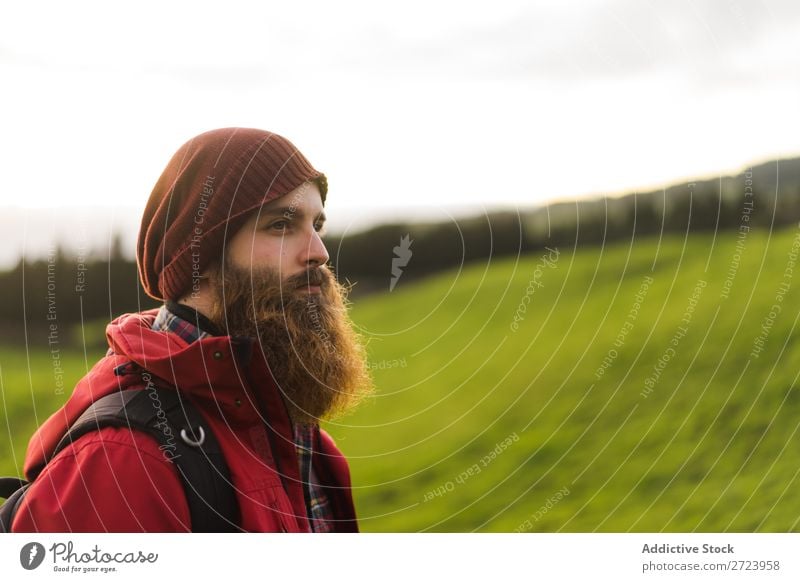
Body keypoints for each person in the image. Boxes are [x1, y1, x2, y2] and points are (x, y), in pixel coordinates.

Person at [11, 128, 374, 532]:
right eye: (281, 225)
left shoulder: (290, 425)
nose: (319, 252)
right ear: (201, 253)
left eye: (317, 224)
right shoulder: (125, 458)